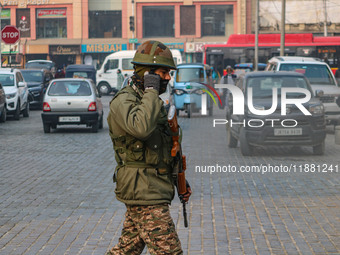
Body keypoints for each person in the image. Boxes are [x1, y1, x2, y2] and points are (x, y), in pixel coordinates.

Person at [106, 40, 192, 255]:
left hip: (152, 186)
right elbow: (141, 128)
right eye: (163, 72)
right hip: (143, 190)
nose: (168, 78)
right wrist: (152, 90)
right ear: (148, 74)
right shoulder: (124, 101)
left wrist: (178, 177)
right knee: (169, 251)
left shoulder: (150, 101)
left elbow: (165, 146)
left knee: (128, 249)